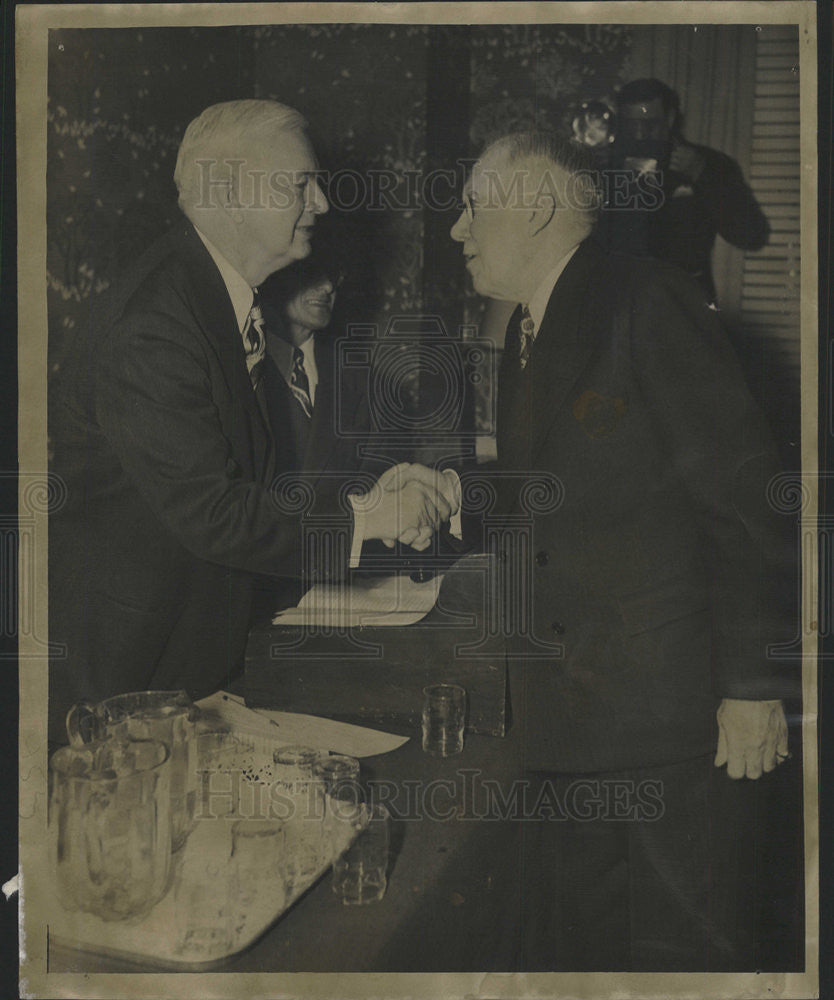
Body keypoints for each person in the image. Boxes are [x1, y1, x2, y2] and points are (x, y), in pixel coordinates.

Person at [449, 131, 796, 970]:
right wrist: (453, 492)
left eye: (470, 208)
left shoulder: (649, 300)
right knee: (592, 947)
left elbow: (747, 506)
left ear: (532, 207)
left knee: (689, 951)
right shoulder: (532, 323)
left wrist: (752, 688)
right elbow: (581, 490)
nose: (457, 231)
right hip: (575, 715)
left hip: (665, 720)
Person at [48, 100, 455, 744]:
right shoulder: (155, 325)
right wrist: (368, 521)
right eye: (301, 183)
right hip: (125, 680)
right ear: (229, 193)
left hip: (191, 659)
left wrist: (365, 499)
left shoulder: (216, 296)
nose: (321, 203)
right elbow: (214, 513)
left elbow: (254, 485)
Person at [596, 77, 769, 304]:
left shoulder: (708, 164)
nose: (639, 135)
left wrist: (702, 175)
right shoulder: (606, 167)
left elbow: (751, 235)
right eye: (631, 125)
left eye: (649, 125)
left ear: (669, 118)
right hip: (621, 304)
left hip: (686, 305)